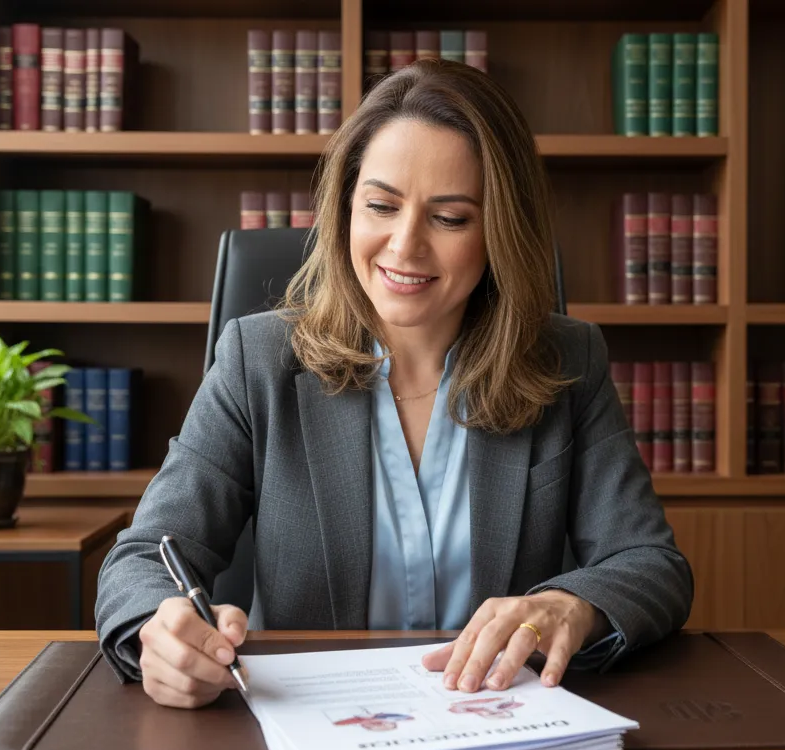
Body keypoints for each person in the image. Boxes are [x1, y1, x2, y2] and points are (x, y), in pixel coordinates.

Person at [94, 57, 694, 710]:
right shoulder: (258, 359)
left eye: (451, 218)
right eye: (381, 205)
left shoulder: (568, 359)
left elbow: (651, 563)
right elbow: (142, 560)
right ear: (345, 208)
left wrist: (570, 605)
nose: (404, 246)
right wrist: (159, 631)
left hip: (497, 729)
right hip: (313, 728)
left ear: (500, 231)